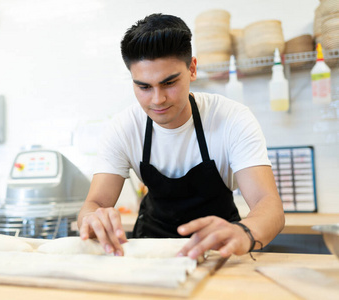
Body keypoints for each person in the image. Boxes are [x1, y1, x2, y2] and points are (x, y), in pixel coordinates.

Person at [77, 13, 284, 259]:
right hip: (150, 252)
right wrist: (93, 217)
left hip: (220, 253)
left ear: (192, 69)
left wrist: (245, 233)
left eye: (169, 83)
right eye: (144, 87)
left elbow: (268, 205)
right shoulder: (124, 127)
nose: (157, 99)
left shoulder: (232, 119)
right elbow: (95, 204)